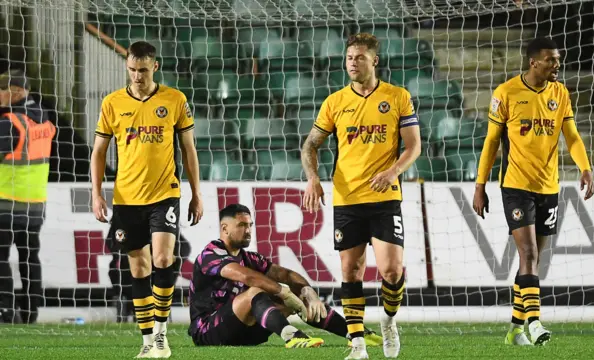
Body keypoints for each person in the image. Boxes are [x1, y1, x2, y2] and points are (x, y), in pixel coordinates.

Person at [301, 33, 421, 359]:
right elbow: (311, 144)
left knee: (392, 271)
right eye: (349, 57)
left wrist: (392, 172)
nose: (353, 63)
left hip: (384, 197)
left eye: (360, 58)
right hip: (348, 198)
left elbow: (413, 146)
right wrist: (313, 179)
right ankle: (355, 344)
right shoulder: (336, 102)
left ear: (374, 61)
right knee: (350, 271)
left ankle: (389, 319)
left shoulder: (397, 97)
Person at [472, 37, 594, 346]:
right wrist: (480, 185)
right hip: (515, 185)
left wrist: (585, 167)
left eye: (558, 59)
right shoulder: (506, 93)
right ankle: (535, 321)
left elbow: (573, 136)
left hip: (548, 186)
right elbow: (491, 142)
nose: (557, 64)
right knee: (527, 253)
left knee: (534, 259)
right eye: (551, 60)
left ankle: (515, 329)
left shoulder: (560, 93)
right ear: (534, 62)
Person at [91, 41, 203, 358]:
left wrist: (196, 194)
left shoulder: (175, 100)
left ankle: (161, 334)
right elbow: (98, 151)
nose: (137, 76)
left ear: (154, 67)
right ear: (127, 67)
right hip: (126, 198)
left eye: (142, 70)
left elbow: (188, 150)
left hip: (164, 192)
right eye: (132, 70)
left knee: (164, 259)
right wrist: (97, 194)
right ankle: (146, 340)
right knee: (139, 268)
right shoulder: (112, 103)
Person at [188, 204, 382, 349]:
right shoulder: (210, 254)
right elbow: (246, 277)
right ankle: (292, 336)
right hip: (208, 331)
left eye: (250, 225)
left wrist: (307, 292)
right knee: (256, 290)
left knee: (298, 296)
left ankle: (355, 333)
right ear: (225, 228)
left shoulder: (249, 257)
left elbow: (286, 274)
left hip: (243, 333)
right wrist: (283, 292)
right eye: (241, 225)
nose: (248, 230)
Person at [0, 69, 55, 324]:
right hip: (36, 204)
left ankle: (5, 311)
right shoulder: (44, 120)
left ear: (17, 91)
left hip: (6, 202)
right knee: (30, 256)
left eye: (2, 90)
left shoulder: (10, 122)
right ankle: (31, 312)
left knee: (1, 258)